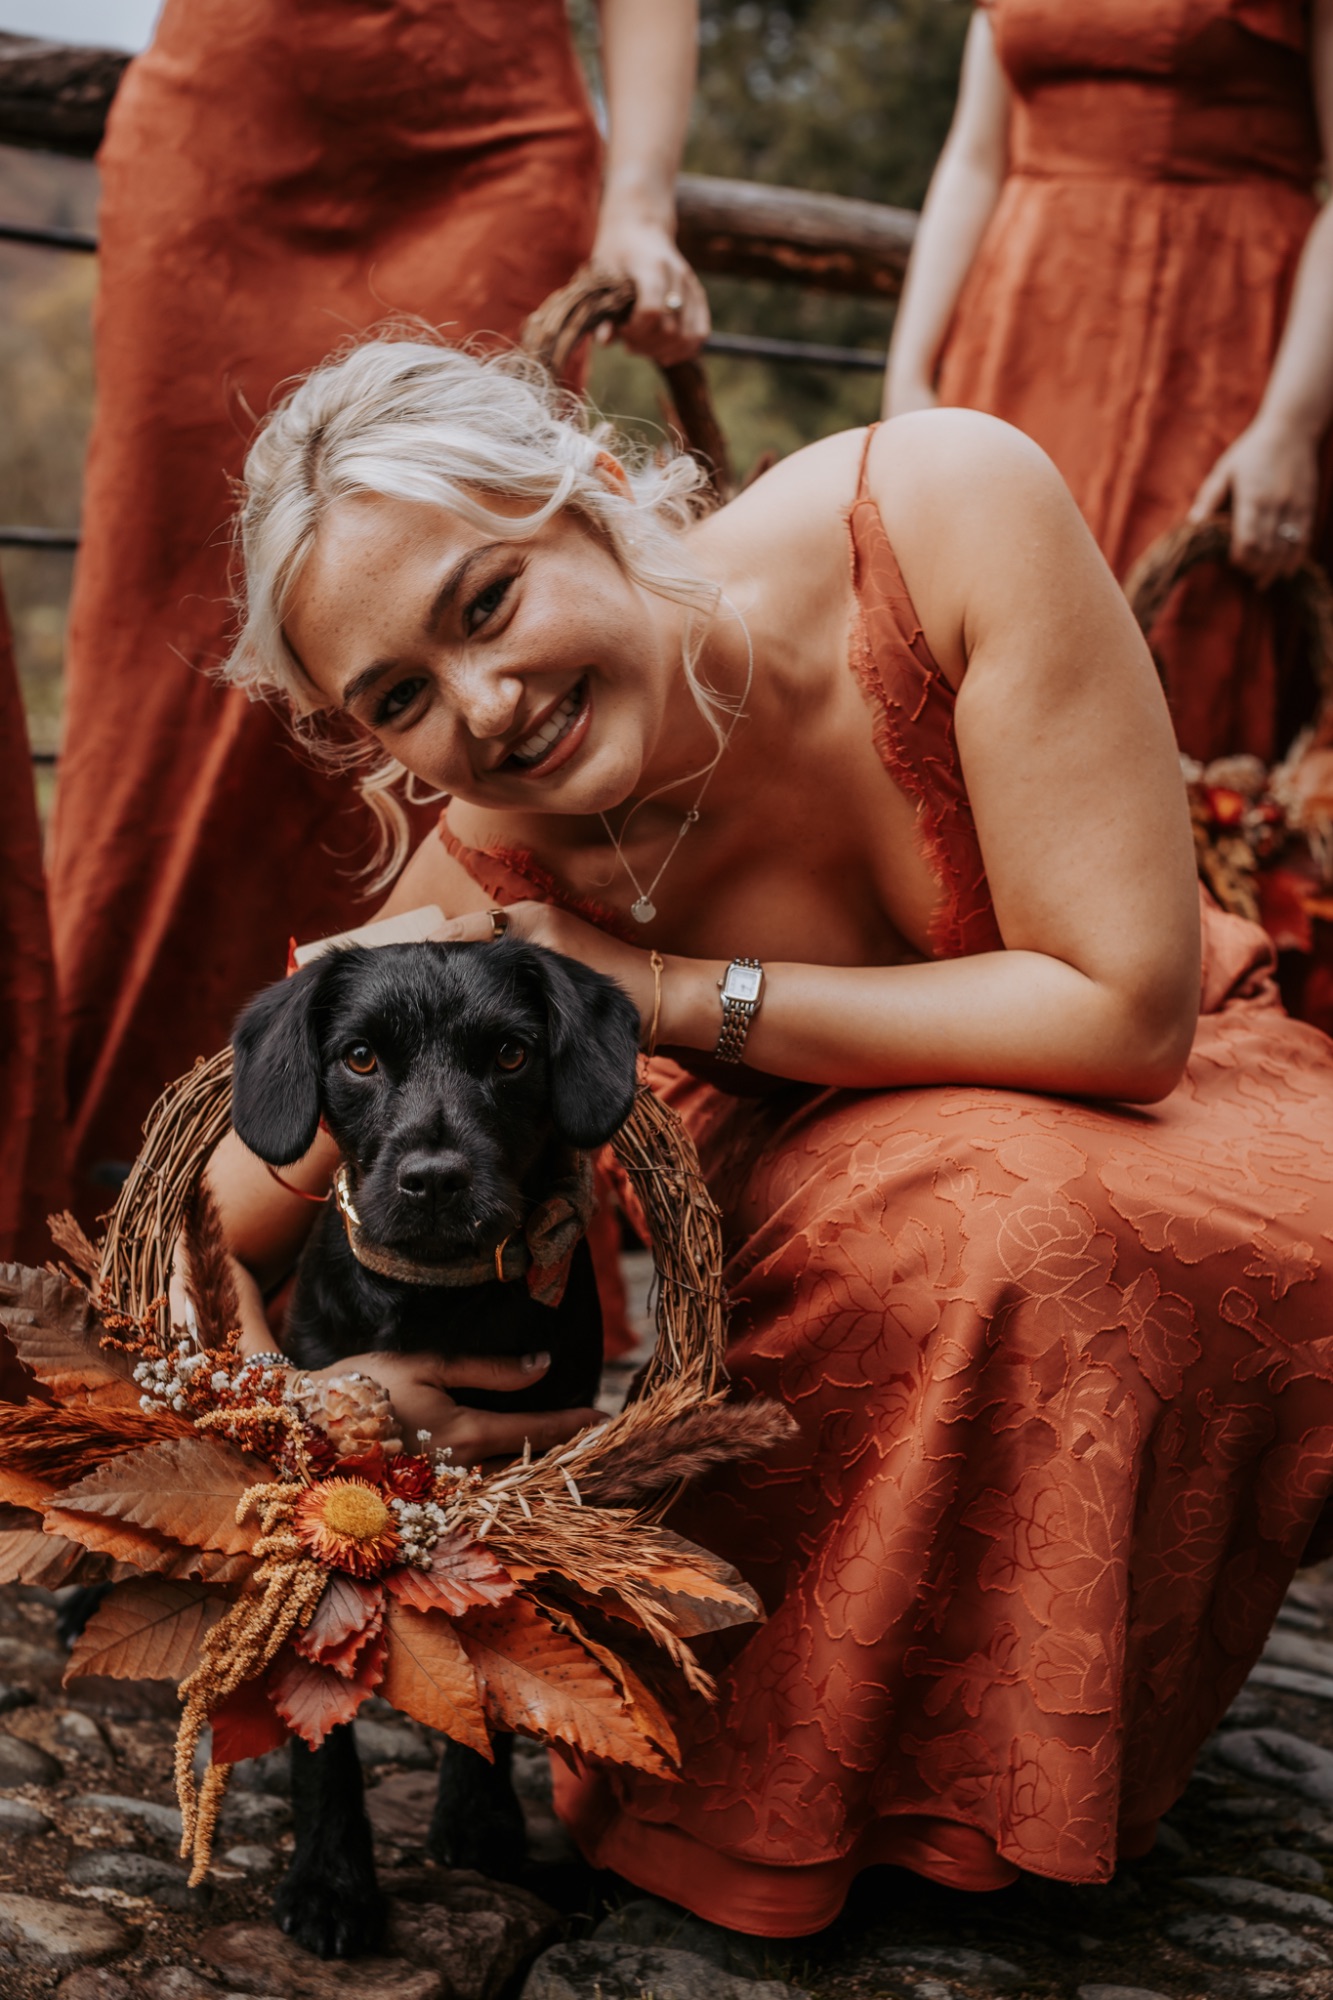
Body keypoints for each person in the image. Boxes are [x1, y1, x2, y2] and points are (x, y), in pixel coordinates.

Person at [202, 335, 1333, 1932]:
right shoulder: (494, 874)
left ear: (597, 491)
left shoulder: (945, 511)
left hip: (1174, 1083)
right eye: (401, 698)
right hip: (893, 1219)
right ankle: (875, 1798)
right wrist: (302, 1412)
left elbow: (1126, 1020)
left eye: (488, 602)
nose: (485, 704)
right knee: (997, 1221)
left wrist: (664, 993)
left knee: (1147, 1215)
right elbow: (200, 1220)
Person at [46, 0, 708, 1215]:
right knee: (187, 662)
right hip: (224, 117)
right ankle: (139, 1189)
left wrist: (640, 200)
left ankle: (495, 1192)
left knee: (492, 640)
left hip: (493, 129)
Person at [883, 0, 1333, 769]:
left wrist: (1289, 424)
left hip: (1219, 346)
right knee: (972, 631)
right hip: (1018, 337)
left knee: (1176, 653)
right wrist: (908, 377)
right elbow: (974, 159)